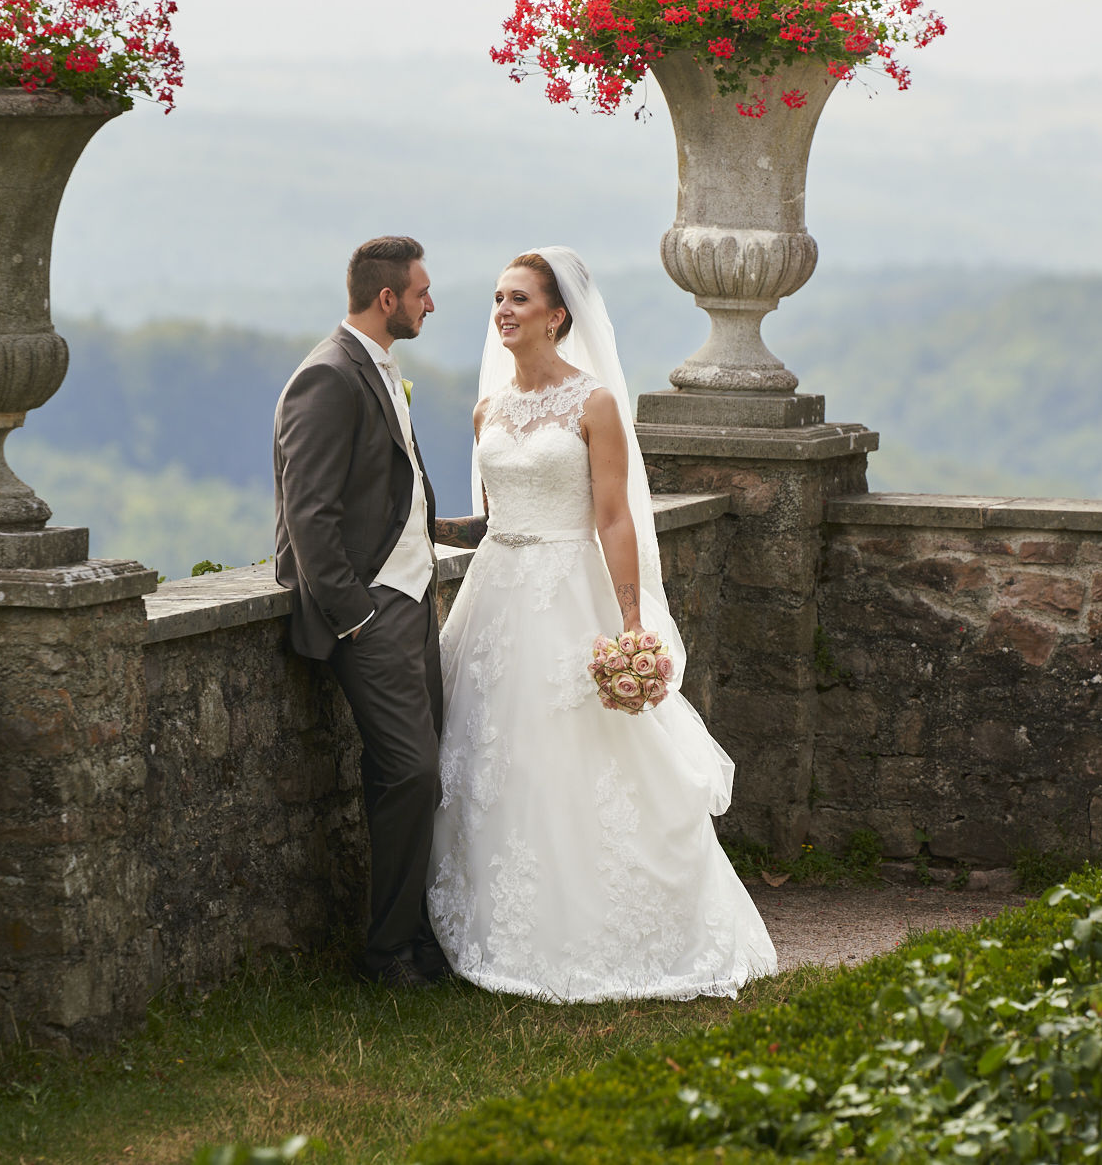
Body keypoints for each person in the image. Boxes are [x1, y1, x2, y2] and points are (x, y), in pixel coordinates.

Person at [426, 246, 777, 1002]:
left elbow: (615, 516)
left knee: (581, 759)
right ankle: (502, 929)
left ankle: (607, 929)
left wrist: (629, 621)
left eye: (519, 299)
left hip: (568, 594)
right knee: (496, 758)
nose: (503, 311)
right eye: (497, 298)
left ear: (558, 315)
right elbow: (491, 522)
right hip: (497, 599)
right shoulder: (487, 409)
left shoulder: (593, 405)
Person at [271, 235, 482, 990]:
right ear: (387, 298)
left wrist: (466, 533)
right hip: (371, 615)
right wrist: (354, 616)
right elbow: (310, 513)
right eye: (423, 291)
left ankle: (418, 937)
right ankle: (386, 953)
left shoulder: (380, 370)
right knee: (413, 771)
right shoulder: (327, 377)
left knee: (415, 777)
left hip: (413, 600)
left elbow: (393, 503)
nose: (433, 302)